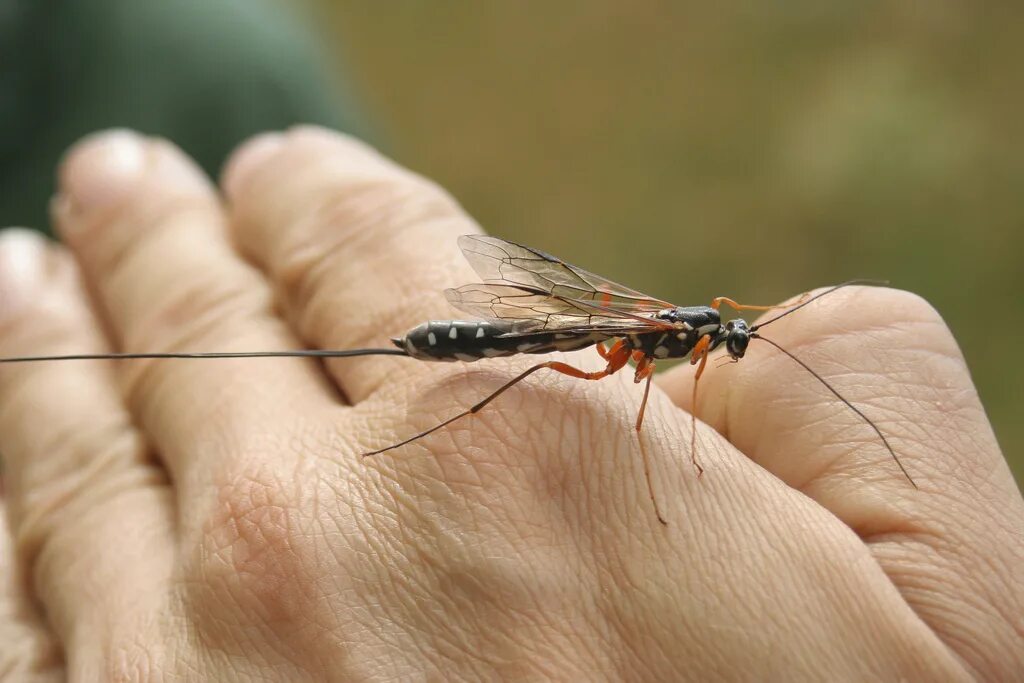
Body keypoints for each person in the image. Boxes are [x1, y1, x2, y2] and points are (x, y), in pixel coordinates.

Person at [0, 127, 1021, 679]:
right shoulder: (681, 331)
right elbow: (632, 340)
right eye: (728, 333)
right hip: (506, 335)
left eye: (728, 335)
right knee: (531, 363)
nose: (728, 342)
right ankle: (442, 403)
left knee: (543, 360)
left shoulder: (693, 333)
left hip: (539, 326)